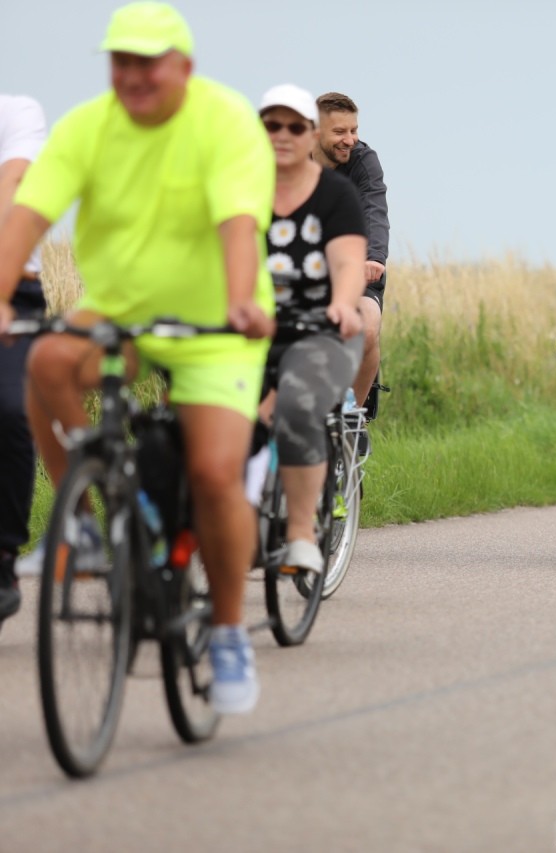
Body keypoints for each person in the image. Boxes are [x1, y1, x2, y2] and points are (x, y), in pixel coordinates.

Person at [0, 3, 275, 713]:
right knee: (48, 362)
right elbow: (27, 215)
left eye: (148, 62)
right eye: (121, 62)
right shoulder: (88, 126)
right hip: (120, 309)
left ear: (183, 66)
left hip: (218, 316)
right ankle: (93, 522)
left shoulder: (222, 121)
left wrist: (242, 301)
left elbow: (238, 223)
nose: (133, 76)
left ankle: (224, 631)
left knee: (215, 471)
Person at [258, 83, 365, 573]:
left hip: (320, 329)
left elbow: (347, 264)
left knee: (297, 407)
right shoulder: (241, 190)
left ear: (309, 136)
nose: (282, 135)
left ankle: (301, 532)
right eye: (270, 125)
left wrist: (344, 305)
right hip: (252, 329)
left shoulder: (336, 194)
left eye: (293, 127)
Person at [0, 94, 48, 629]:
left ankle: (3, 558)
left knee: (11, 412)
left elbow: (11, 189)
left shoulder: (17, 113)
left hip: (17, 293)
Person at [313, 92, 388, 417]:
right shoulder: (289, 162)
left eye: (354, 130)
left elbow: (374, 207)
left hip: (358, 264)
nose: (350, 140)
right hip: (304, 266)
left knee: (367, 329)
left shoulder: (362, 161)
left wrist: (374, 257)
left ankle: (353, 418)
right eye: (340, 132)